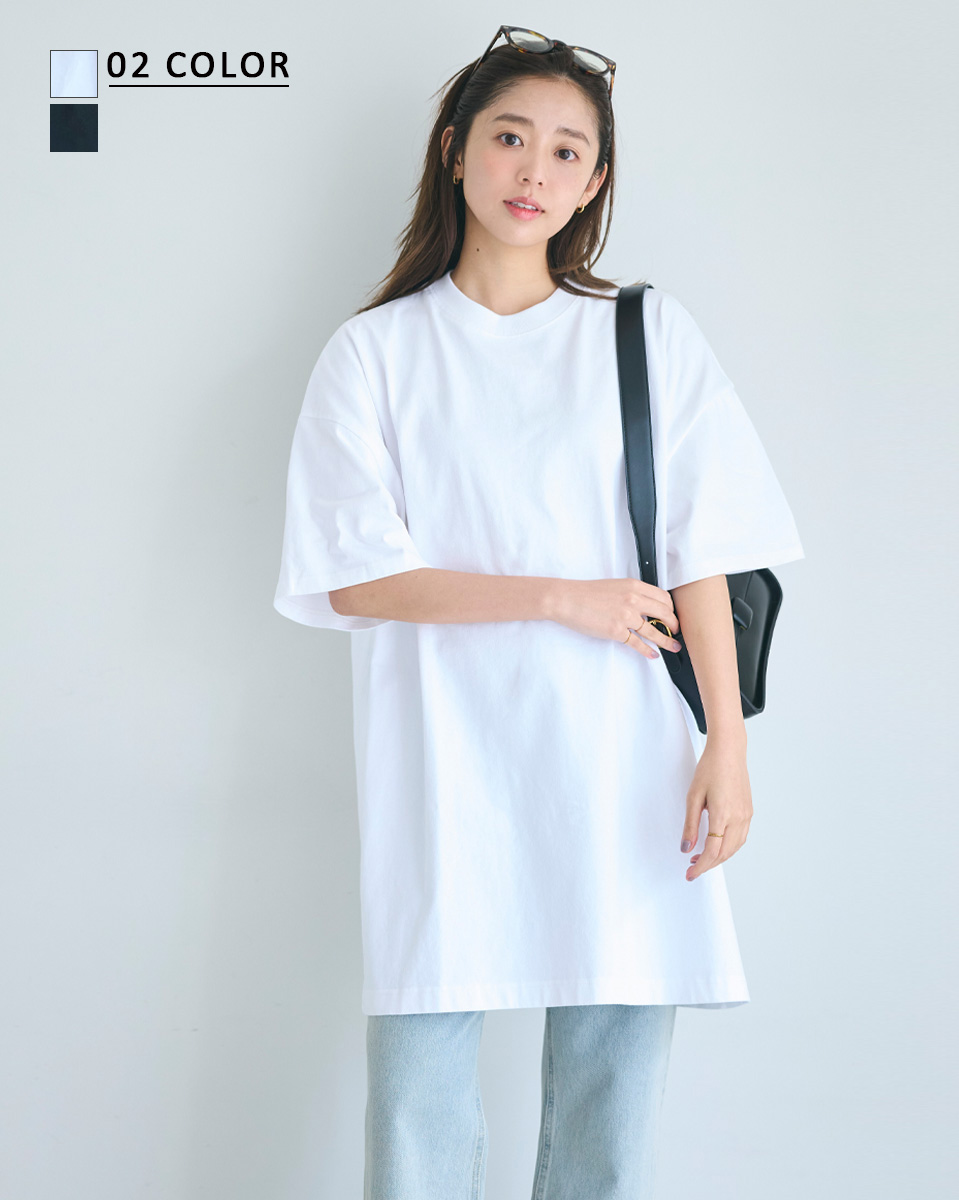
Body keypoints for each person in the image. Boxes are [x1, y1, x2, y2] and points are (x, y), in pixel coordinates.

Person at [273, 24, 805, 1200]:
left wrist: (726, 741)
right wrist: (563, 597)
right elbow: (355, 577)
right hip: (443, 752)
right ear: (455, 149)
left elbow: (707, 551)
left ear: (595, 181)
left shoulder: (643, 334)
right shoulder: (375, 355)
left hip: (624, 747)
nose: (534, 171)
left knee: (613, 1088)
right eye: (511, 137)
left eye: (568, 151)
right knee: (418, 1082)